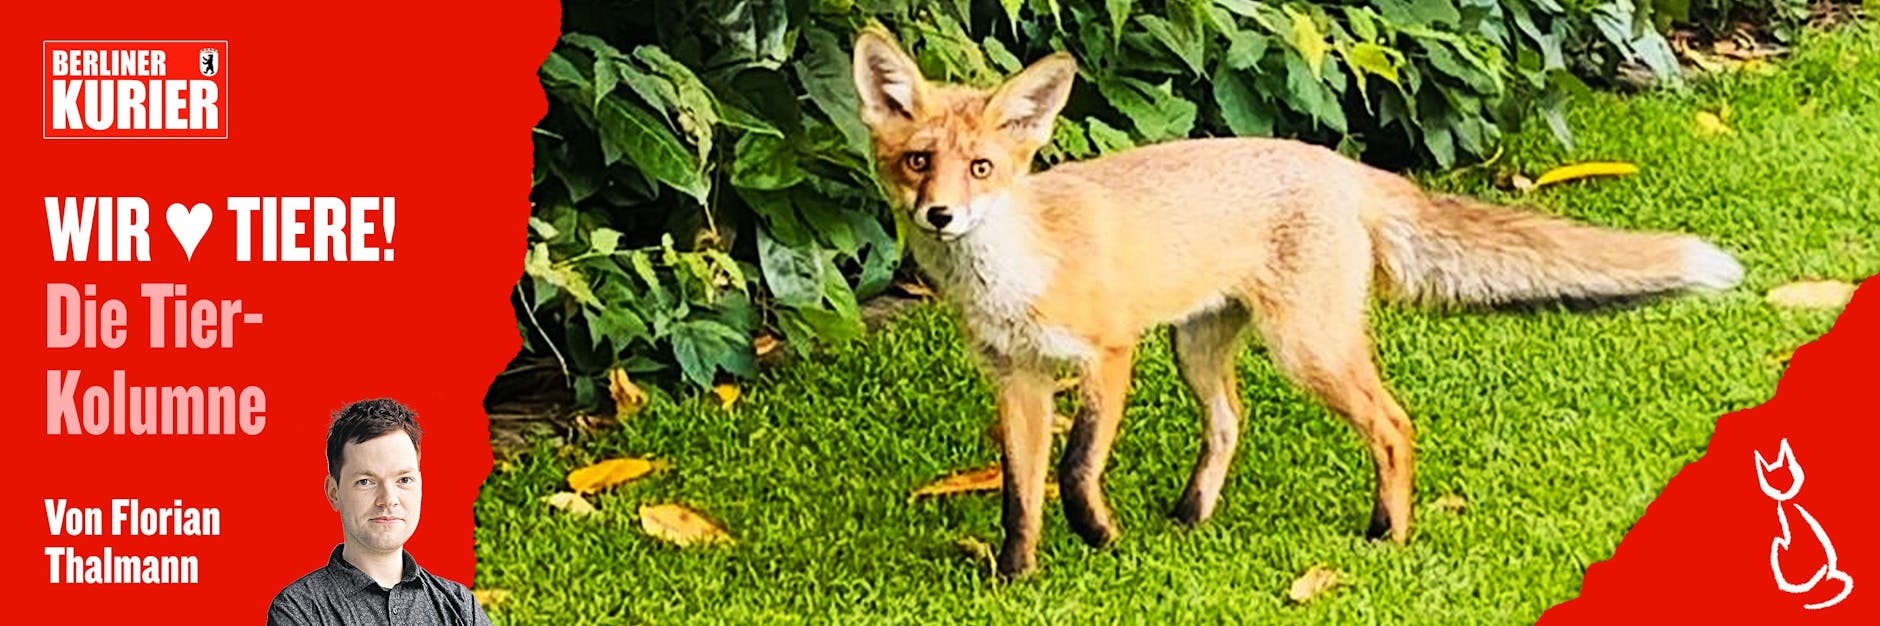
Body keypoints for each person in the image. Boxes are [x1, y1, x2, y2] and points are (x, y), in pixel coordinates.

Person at [268, 399, 490, 626]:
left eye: (404, 479)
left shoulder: (460, 606)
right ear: (334, 493)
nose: (388, 500)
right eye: (366, 481)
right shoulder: (298, 610)